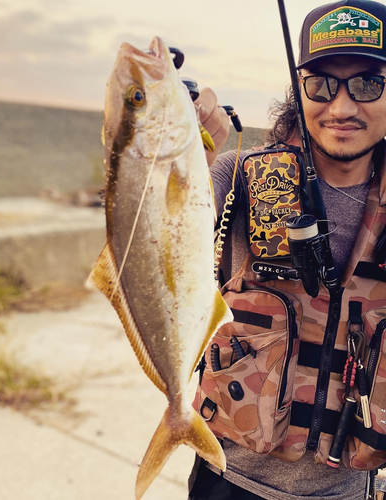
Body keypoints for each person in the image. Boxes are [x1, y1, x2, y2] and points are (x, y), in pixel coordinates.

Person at [188, 0, 386, 499]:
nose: (341, 108)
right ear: (297, 91)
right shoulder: (235, 177)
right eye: (321, 84)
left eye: (368, 84)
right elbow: (138, 249)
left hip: (348, 488)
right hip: (228, 481)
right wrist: (173, 155)